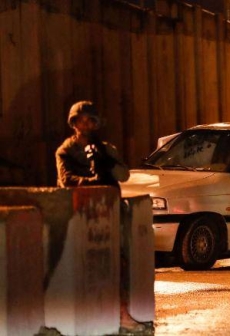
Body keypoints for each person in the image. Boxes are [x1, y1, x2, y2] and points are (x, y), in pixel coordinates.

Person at [55, 101, 148, 333]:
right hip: (81, 213)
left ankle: (121, 314)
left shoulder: (107, 148)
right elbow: (66, 180)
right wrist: (92, 181)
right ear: (73, 123)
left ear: (96, 124)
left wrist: (107, 164)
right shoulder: (66, 150)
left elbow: (124, 175)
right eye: (81, 120)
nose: (85, 124)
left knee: (119, 264)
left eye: (90, 120)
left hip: (109, 211)